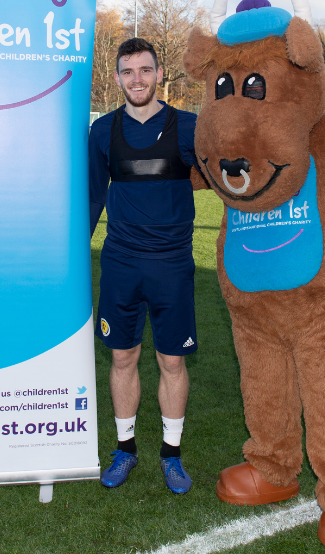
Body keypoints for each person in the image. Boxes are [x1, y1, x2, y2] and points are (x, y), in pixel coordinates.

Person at [89, 37, 199, 494]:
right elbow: (93, 196)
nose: (137, 79)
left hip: (172, 264)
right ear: (117, 77)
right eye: (128, 71)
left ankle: (171, 455)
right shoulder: (102, 131)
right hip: (120, 262)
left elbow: (228, 175)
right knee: (122, 355)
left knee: (171, 360)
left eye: (145, 70)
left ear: (159, 74)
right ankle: (125, 449)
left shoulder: (189, 127)